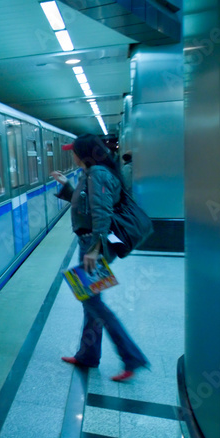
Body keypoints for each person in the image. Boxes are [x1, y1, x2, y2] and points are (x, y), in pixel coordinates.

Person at [51, 134, 148, 382]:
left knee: (95, 304)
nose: (70, 154)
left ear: (83, 153)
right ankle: (88, 355)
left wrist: (95, 249)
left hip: (93, 246)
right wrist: (66, 187)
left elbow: (102, 212)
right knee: (90, 302)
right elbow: (86, 204)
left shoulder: (98, 175)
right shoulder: (91, 173)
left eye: (73, 150)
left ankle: (132, 357)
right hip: (89, 244)